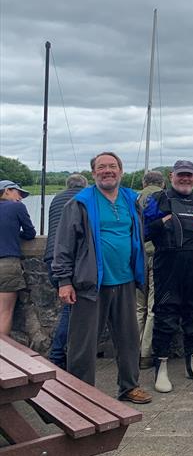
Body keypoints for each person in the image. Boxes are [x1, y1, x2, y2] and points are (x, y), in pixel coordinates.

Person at [50, 153, 151, 403]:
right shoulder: (80, 203)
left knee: (128, 340)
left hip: (125, 280)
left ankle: (129, 386)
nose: (108, 171)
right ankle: (82, 393)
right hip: (90, 283)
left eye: (113, 166)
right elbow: (63, 245)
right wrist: (64, 281)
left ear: (121, 171)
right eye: (102, 167)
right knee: (83, 345)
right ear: (94, 172)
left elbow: (137, 235)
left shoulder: (130, 199)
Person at [143, 159, 193, 392]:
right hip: (168, 267)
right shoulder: (158, 200)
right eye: (181, 175)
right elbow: (141, 230)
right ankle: (161, 369)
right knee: (165, 317)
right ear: (171, 176)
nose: (185, 179)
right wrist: (160, 223)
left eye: (189, 175)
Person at [43, 173, 88, 367]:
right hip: (70, 260)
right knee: (72, 310)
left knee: (70, 308)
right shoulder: (84, 199)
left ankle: (62, 354)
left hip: (50, 258)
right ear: (85, 185)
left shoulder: (56, 199)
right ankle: (58, 355)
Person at [135, 170, 165, 371]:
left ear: (144, 182)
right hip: (156, 253)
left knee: (137, 307)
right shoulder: (163, 198)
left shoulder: (133, 198)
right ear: (162, 183)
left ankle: (132, 351)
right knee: (154, 306)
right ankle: (146, 353)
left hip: (137, 255)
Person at [0, 180, 36, 336]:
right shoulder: (16, 207)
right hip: (7, 262)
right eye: (18, 193)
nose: (20, 197)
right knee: (4, 311)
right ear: (7, 190)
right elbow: (30, 233)